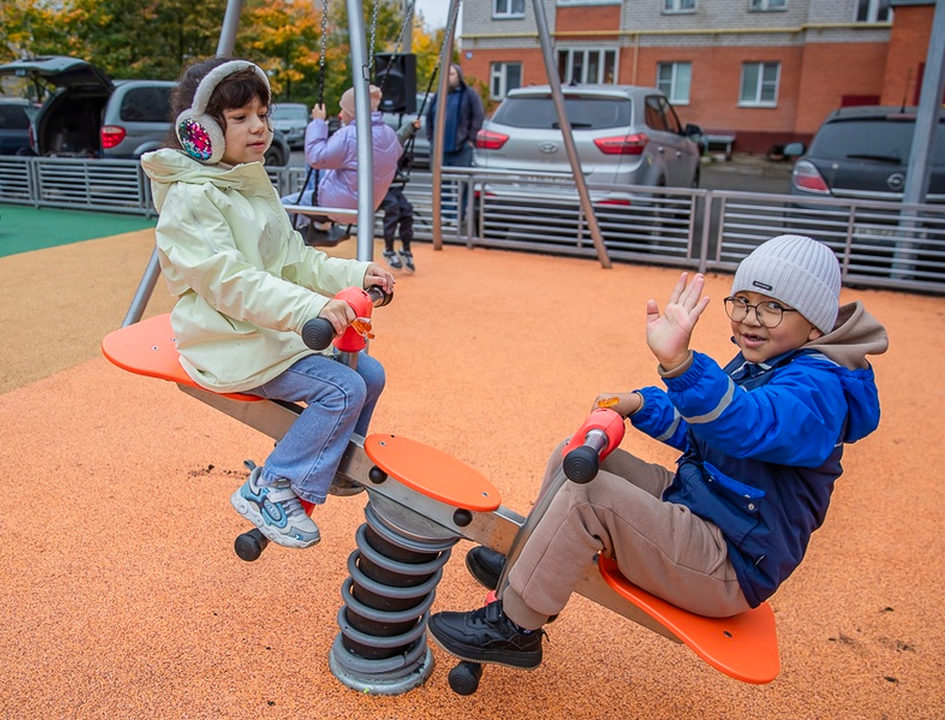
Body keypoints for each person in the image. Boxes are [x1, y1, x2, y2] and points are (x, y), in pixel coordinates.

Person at [427, 234, 888, 670]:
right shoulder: (765, 361)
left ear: (814, 324)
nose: (750, 318)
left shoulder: (820, 390)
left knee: (592, 497)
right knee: (577, 459)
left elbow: (747, 424)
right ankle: (529, 560)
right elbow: (704, 432)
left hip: (731, 561)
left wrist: (681, 365)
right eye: (744, 301)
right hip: (704, 506)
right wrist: (643, 403)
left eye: (773, 308)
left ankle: (515, 626)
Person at [141, 58, 396, 550]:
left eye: (263, 113)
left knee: (371, 375)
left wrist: (355, 272)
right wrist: (308, 311)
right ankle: (270, 487)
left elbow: (294, 259)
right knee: (341, 389)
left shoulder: (245, 181)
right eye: (240, 118)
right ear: (202, 131)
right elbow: (231, 282)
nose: (259, 126)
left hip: (261, 330)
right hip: (224, 339)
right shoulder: (192, 199)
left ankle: (330, 464)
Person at [302, 84, 403, 242]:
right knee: (322, 165)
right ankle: (320, 226)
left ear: (354, 112)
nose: (341, 114)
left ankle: (313, 230)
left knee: (282, 206)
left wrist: (318, 122)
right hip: (369, 204)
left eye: (344, 110)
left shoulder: (350, 135)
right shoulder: (389, 133)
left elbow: (316, 157)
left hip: (338, 205)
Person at [425, 64, 484, 225]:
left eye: (451, 74)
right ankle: (445, 215)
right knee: (441, 183)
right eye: (446, 74)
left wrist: (471, 138)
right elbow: (429, 116)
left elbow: (478, 116)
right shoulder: (438, 96)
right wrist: (431, 138)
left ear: (458, 76)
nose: (448, 77)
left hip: (461, 147)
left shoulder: (468, 95)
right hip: (439, 149)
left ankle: (458, 216)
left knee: (461, 183)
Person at [380, 117, 421, 272]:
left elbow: (401, 136)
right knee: (393, 208)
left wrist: (411, 126)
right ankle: (388, 249)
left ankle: (405, 248)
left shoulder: (390, 143)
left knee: (407, 211)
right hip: (379, 187)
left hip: (393, 187)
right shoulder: (371, 146)